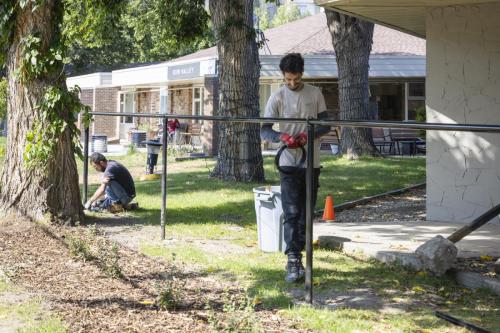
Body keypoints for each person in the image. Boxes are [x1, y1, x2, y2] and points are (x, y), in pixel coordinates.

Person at [261, 53, 330, 283]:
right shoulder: (277, 96)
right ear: (283, 76)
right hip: (288, 162)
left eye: (296, 79)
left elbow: (324, 125)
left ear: (302, 73)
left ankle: (303, 257)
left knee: (307, 212)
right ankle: (292, 258)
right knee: (291, 212)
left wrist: (307, 134)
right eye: (288, 79)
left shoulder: (315, 93)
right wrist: (282, 136)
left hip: (311, 161)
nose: (292, 83)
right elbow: (265, 129)